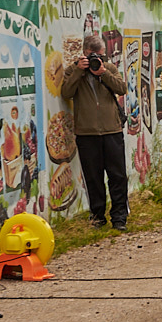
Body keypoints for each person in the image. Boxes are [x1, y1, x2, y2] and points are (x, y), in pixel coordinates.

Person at [61, 35, 129, 231]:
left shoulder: (109, 68)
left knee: (117, 176)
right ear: (84, 53)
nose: (98, 59)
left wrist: (103, 72)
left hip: (112, 131)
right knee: (93, 177)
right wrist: (78, 71)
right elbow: (66, 93)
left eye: (101, 55)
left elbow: (122, 88)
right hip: (86, 133)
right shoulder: (73, 71)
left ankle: (119, 218)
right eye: (94, 56)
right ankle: (97, 216)